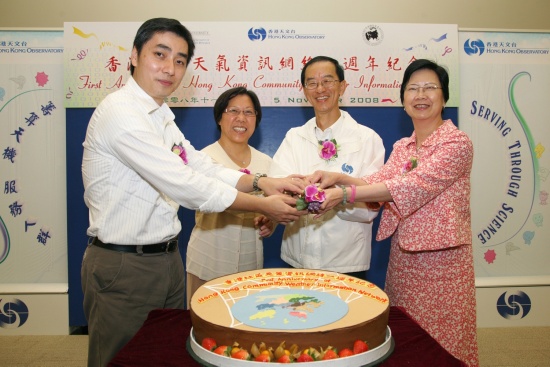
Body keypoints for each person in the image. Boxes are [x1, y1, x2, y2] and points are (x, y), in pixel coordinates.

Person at [80, 18, 305, 367]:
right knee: (122, 357)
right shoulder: (121, 113)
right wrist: (264, 204)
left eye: (181, 60)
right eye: (160, 54)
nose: (171, 68)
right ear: (135, 55)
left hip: (166, 258)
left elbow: (201, 167)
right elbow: (186, 184)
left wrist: (264, 181)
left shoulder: (161, 117)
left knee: (164, 352)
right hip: (125, 264)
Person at [310, 59, 479, 366]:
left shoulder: (457, 143)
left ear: (444, 97)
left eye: (430, 88)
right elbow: (378, 183)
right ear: (403, 100)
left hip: (444, 262)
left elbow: (412, 186)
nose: (420, 95)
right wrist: (338, 177)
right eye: (412, 88)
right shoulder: (403, 146)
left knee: (444, 342)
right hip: (404, 260)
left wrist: (344, 193)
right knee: (407, 338)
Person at [269, 56, 385, 278]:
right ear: (304, 90)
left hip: (347, 263)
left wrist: (336, 197)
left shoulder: (367, 138)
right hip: (297, 260)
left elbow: (372, 204)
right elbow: (278, 189)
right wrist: (297, 193)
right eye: (312, 83)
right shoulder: (294, 137)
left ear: (342, 86)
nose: (320, 88)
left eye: (328, 81)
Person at [186, 87, 275, 304]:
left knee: (246, 326)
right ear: (219, 118)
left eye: (249, 112)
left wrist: (271, 221)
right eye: (233, 111)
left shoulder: (267, 163)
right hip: (208, 259)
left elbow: (270, 207)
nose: (241, 118)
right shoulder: (204, 159)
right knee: (205, 327)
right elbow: (217, 202)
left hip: (250, 262)